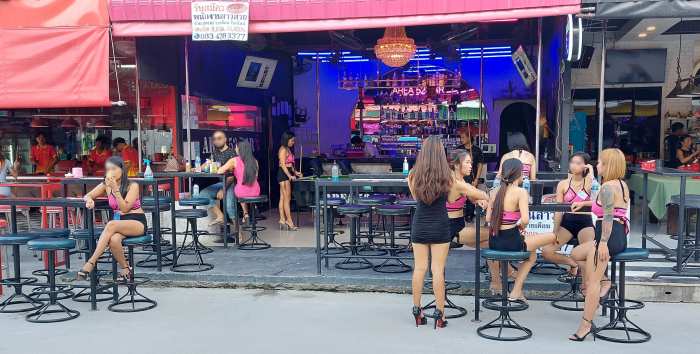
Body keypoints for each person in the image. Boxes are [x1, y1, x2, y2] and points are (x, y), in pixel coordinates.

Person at [569, 148, 630, 341]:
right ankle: (606, 280)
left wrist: (603, 243)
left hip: (607, 235)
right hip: (617, 235)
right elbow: (608, 207)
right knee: (576, 254)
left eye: (600, 162)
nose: (597, 165)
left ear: (608, 165)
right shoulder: (620, 185)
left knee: (592, 283)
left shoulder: (607, 187)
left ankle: (585, 325)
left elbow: (609, 217)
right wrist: (586, 204)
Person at [487, 158, 556, 302]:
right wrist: (520, 227)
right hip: (512, 241)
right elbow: (525, 220)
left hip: (494, 242)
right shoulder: (520, 192)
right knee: (550, 237)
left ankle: (513, 287)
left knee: (531, 252)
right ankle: (516, 290)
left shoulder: (493, 192)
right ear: (519, 174)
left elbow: (488, 219)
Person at [76, 156, 147, 282]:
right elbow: (88, 195)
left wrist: (115, 189)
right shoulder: (106, 184)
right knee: (114, 240)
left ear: (122, 170)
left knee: (111, 225)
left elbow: (124, 209)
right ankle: (126, 269)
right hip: (119, 222)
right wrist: (89, 201)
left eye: (114, 169)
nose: (111, 172)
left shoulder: (133, 185)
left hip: (136, 221)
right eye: (108, 169)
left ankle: (91, 262)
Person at [408, 135, 452, 329]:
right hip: (440, 224)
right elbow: (450, 199)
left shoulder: (413, 175)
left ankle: (417, 311)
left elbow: (415, 196)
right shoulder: (448, 177)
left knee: (419, 268)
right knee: (437, 270)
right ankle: (439, 315)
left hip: (420, 224)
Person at [543, 152, 596, 276]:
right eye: (572, 162)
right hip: (567, 222)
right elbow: (558, 210)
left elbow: (598, 202)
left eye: (578, 163)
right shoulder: (563, 184)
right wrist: (554, 232)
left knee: (589, 253)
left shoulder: (590, 182)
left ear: (585, 166)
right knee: (546, 251)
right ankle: (572, 263)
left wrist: (591, 173)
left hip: (585, 222)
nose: (573, 166)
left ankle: (586, 284)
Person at [446, 149, 488, 248]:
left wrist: (478, 200)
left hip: (457, 225)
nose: (471, 166)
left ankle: (494, 262)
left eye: (471, 163)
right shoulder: (457, 183)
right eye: (467, 162)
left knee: (492, 244)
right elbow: (484, 195)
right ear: (456, 165)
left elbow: (471, 197)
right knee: (494, 234)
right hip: (453, 228)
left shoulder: (460, 180)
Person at [199, 130, 237, 226]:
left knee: (229, 207)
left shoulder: (231, 153)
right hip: (221, 183)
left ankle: (238, 232)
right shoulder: (215, 153)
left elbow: (232, 176)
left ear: (225, 139)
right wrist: (197, 168)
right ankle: (220, 216)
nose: (216, 141)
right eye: (214, 139)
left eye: (219, 138)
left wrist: (222, 189)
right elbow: (207, 163)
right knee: (203, 194)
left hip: (231, 183)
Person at [218, 140, 260, 224]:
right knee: (247, 189)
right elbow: (256, 177)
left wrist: (231, 169)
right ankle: (253, 207)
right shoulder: (255, 161)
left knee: (241, 189)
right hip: (256, 191)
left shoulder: (234, 160)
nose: (235, 149)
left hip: (241, 192)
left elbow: (220, 171)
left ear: (240, 149)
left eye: (236, 147)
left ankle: (246, 213)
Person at [456, 127, 485, 223]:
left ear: (469, 138)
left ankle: (469, 215)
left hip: (472, 176)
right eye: (461, 137)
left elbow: (480, 164)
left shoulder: (477, 150)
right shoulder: (459, 149)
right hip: (460, 177)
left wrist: (477, 178)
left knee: (471, 196)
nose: (461, 139)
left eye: (463, 137)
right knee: (460, 196)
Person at [278, 131, 302, 230]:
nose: (293, 142)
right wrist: (290, 176)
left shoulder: (288, 148)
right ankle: (289, 221)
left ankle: (282, 219)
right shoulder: (283, 149)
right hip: (283, 175)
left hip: (286, 173)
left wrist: (295, 172)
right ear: (287, 140)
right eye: (292, 140)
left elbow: (290, 164)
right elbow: (283, 165)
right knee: (287, 199)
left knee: (283, 198)